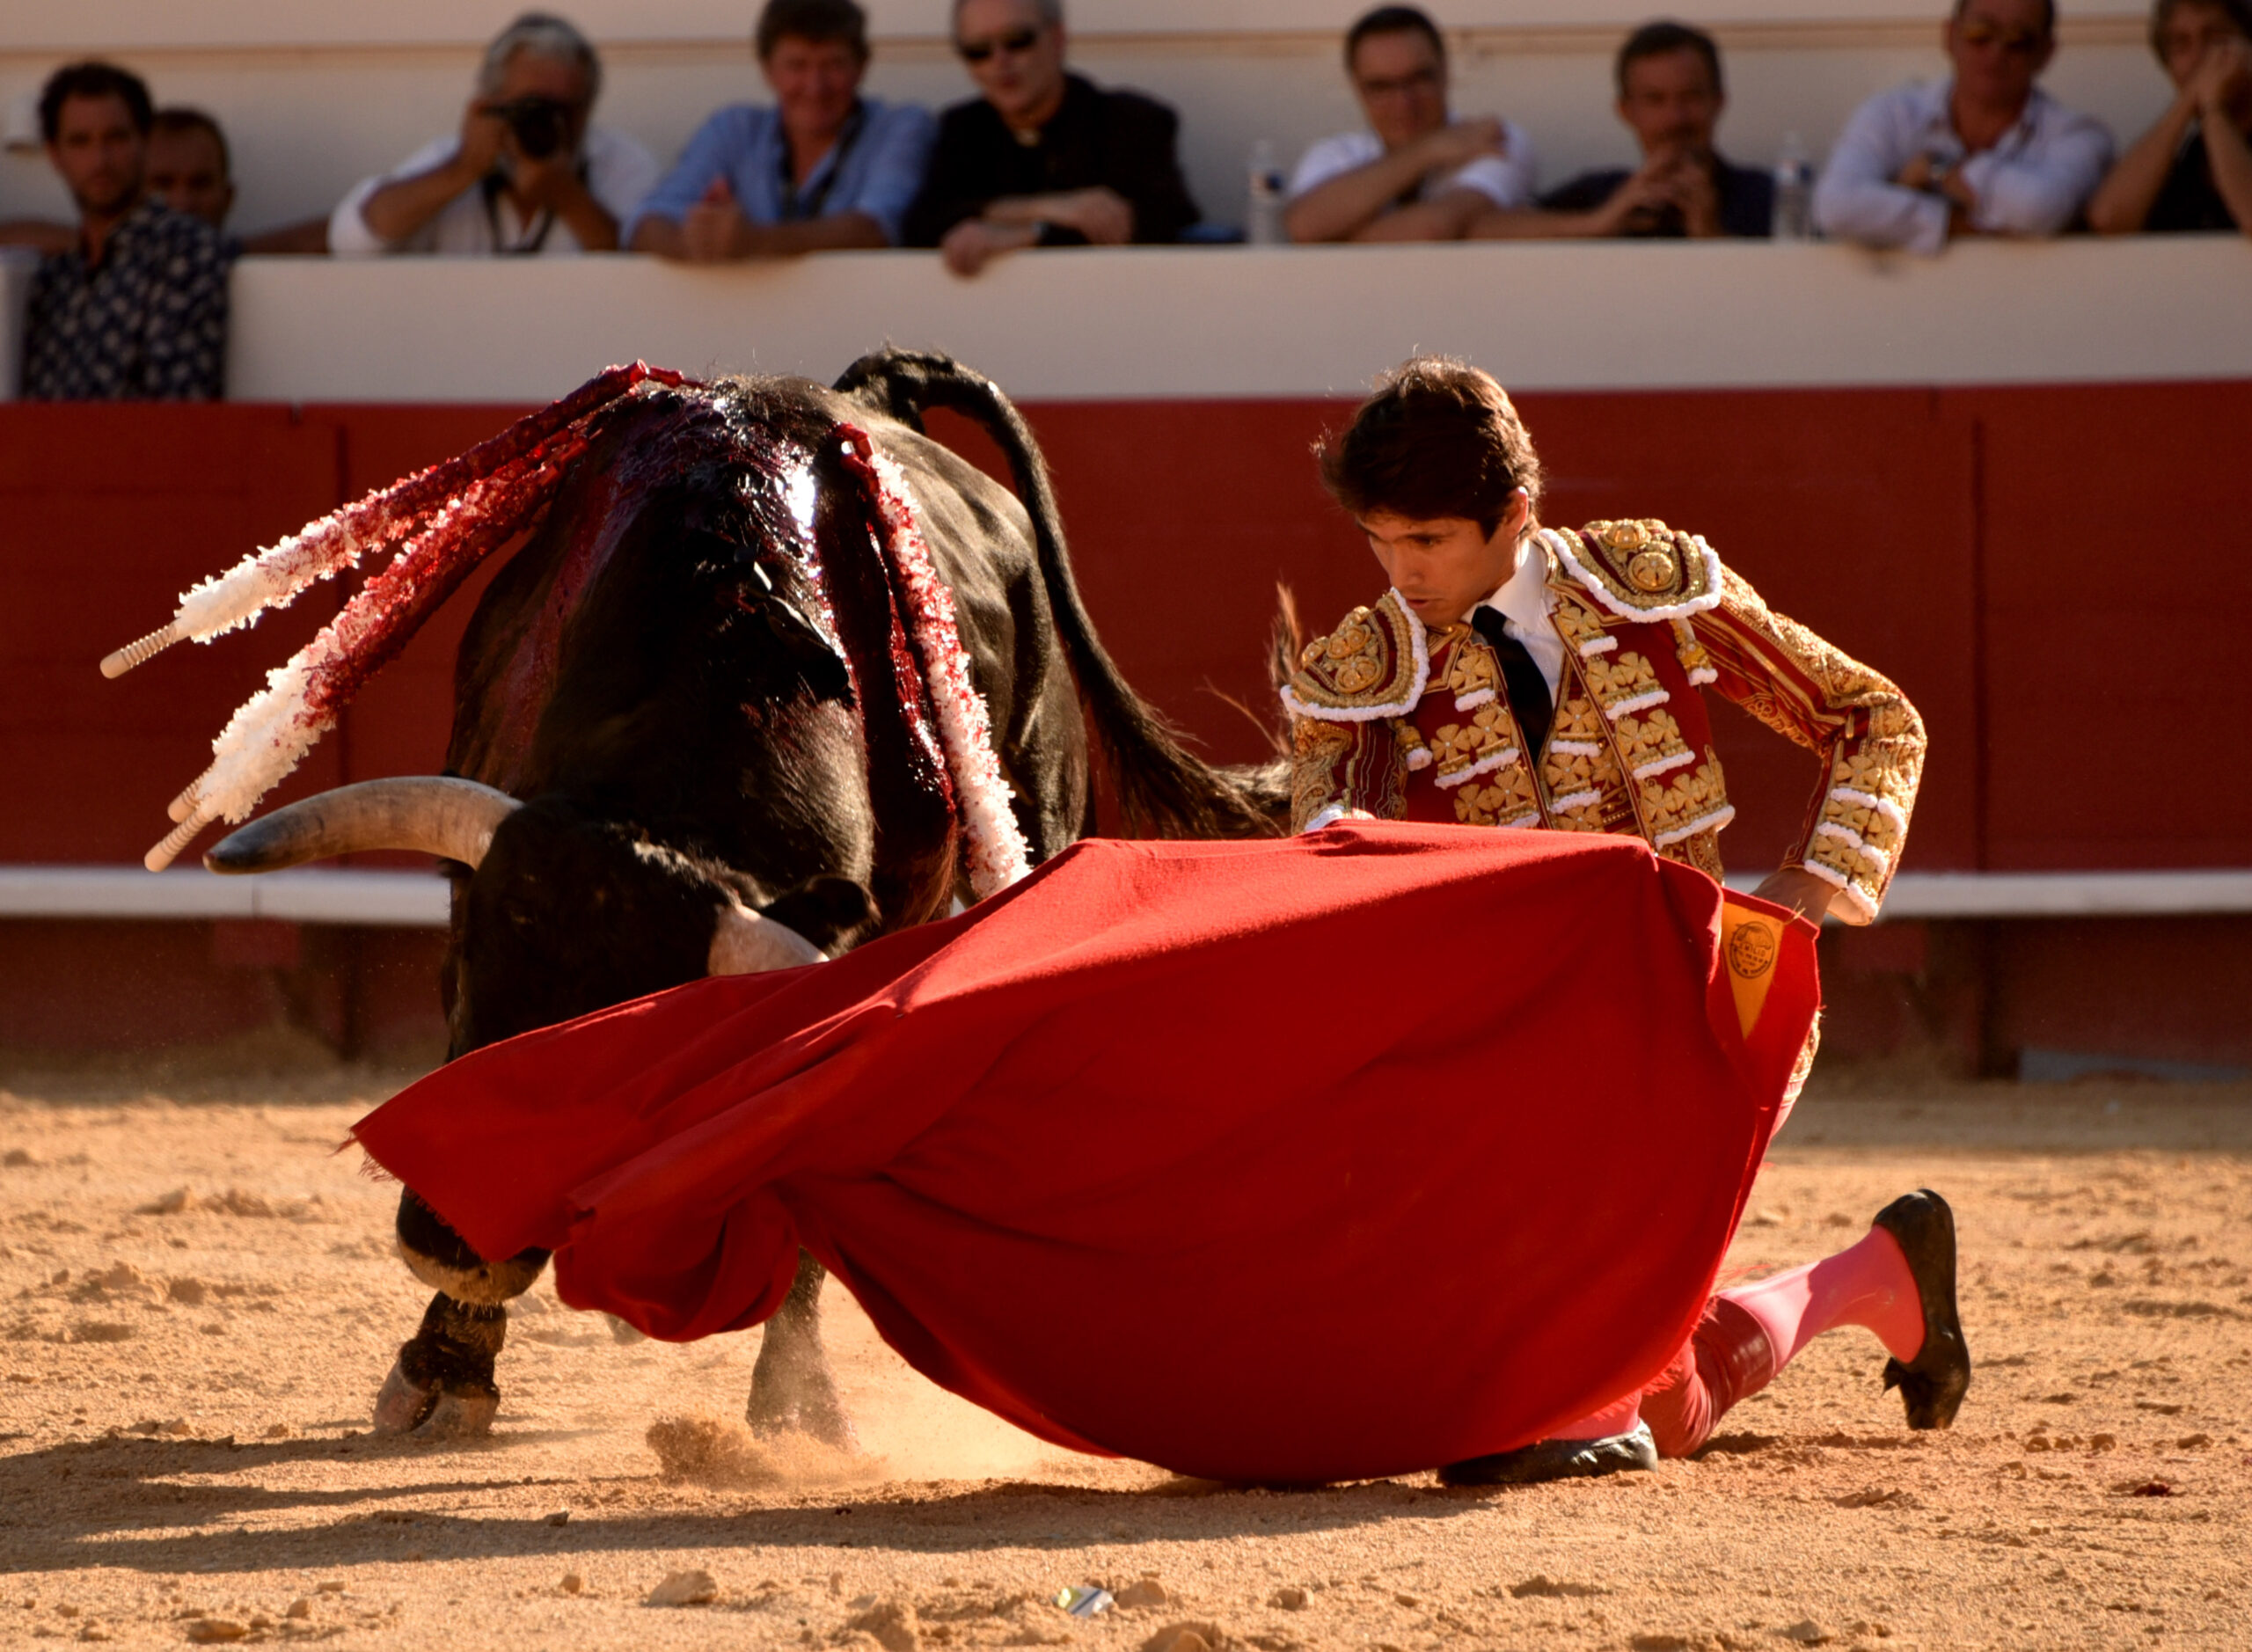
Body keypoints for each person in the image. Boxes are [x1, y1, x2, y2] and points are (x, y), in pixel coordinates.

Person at [1285, 358, 1957, 1480]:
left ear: (1516, 514)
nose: (1399, 575)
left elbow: (1873, 718)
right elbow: (1324, 862)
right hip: (1504, 1035)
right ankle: (1876, 1276)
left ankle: (1564, 1393)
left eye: (1429, 543)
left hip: (1690, 1011)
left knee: (1602, 1387)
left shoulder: (1653, 589)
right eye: (1379, 542)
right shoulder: (1366, 672)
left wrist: (1808, 890)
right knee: (1674, 1405)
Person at [903, 0, 1200, 276]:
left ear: (1057, 39)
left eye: (1017, 41)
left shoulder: (1130, 121)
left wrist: (1028, 235)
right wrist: (1049, 208)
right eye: (979, 50)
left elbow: (1160, 221)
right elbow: (922, 223)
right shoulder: (963, 129)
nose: (1000, 61)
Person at [330, 12, 658, 257]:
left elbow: (646, 270)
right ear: (489, 104)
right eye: (531, 107)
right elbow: (350, 240)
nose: (547, 122)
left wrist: (568, 197)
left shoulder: (619, 163)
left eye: (564, 111)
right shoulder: (455, 157)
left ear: (587, 111)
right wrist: (462, 170)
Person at [629, 0, 932, 259]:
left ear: (862, 67)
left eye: (834, 64)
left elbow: (877, 229)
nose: (815, 87)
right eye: (797, 66)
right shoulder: (733, 129)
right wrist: (696, 242)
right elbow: (645, 224)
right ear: (767, 70)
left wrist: (753, 243)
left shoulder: (901, 126)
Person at [1812, 0, 2112, 252]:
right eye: (1980, 32)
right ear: (1949, 36)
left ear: (2046, 53)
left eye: (2018, 39)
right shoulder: (1893, 113)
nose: (1996, 51)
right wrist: (1968, 226)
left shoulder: (2079, 134)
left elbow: (2039, 209)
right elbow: (1835, 206)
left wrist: (1938, 172)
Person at [18, 62, 227, 401]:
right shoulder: (56, 278)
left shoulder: (185, 251)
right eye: (80, 142)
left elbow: (178, 410)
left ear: (144, 141)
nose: (100, 160)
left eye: (115, 138)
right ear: (55, 155)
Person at [1285, 5, 1536, 245]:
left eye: (1418, 80)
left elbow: (1430, 230)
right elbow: (1303, 225)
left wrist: (1336, 238)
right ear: (1357, 89)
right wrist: (1427, 151)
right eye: (1382, 87)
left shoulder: (1492, 138)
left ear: (1445, 72)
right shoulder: (1336, 155)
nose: (1404, 103)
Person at [1505, 20, 1773, 238]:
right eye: (1655, 100)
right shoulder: (1598, 195)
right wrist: (1598, 222)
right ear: (1625, 111)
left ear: (1718, 102)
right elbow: (1480, 228)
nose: (1675, 118)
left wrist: (1712, 236)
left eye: (1690, 97)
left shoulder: (1768, 197)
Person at [2087, 0, 2252, 234]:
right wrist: (2188, 102)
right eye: (2181, 45)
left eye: (2215, 37)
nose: (2199, 56)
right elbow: (2108, 218)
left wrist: (2212, 107)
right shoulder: (2186, 157)